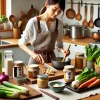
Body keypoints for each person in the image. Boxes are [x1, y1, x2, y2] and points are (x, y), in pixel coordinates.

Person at [18, 0, 70, 65]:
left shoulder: (59, 24)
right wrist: (33, 55)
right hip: (36, 61)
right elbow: (21, 43)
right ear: (47, 4)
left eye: (59, 11)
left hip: (52, 62)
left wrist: (63, 51)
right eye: (54, 9)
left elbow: (58, 46)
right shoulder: (33, 22)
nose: (56, 13)